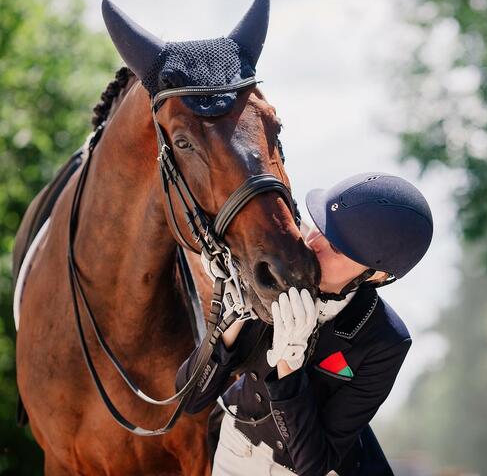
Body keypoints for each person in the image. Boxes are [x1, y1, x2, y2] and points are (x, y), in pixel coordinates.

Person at [176, 172, 433, 476]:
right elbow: (189, 399)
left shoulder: (386, 340)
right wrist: (228, 323)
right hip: (234, 448)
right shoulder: (276, 276)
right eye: (319, 227)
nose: (312, 243)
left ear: (374, 275)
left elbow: (313, 465)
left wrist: (289, 367)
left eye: (335, 248)